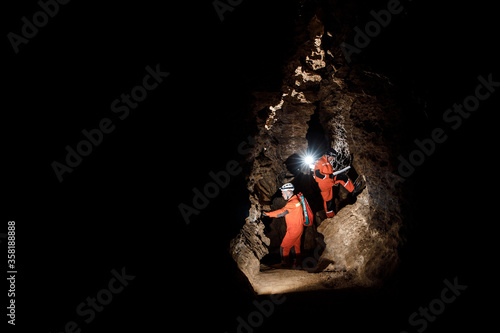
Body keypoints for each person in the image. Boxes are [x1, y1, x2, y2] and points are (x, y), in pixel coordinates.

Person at [262, 183, 304, 268]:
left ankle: (285, 264)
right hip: (299, 228)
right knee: (296, 247)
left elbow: (281, 213)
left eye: (283, 192)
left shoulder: (292, 203)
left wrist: (267, 214)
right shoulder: (297, 200)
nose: (282, 194)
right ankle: (297, 263)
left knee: (284, 247)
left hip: (293, 230)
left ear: (289, 191)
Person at [314, 148, 362, 218]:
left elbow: (327, 171)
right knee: (328, 201)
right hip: (324, 185)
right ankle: (330, 217)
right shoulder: (320, 161)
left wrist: (334, 171)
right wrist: (328, 176)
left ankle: (353, 190)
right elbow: (317, 174)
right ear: (327, 155)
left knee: (342, 177)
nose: (332, 159)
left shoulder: (326, 161)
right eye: (332, 157)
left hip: (329, 181)